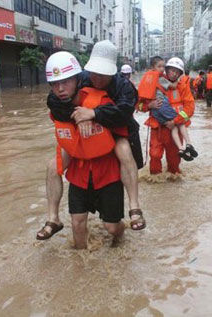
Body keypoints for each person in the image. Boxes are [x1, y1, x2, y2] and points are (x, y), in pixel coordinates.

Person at [37, 40, 146, 240]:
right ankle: (53, 218)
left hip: (117, 128)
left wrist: (94, 113)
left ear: (113, 72)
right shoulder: (79, 79)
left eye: (103, 74)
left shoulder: (125, 87)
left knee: (123, 151)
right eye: (94, 72)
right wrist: (79, 116)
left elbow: (123, 113)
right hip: (83, 137)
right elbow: (54, 101)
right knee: (53, 165)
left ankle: (134, 206)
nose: (97, 78)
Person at [43, 51, 126, 248]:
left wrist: (94, 116)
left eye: (66, 82)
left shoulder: (104, 102)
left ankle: (123, 236)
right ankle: (80, 265)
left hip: (107, 173)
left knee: (112, 227)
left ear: (78, 80)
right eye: (55, 84)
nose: (60, 88)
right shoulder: (56, 110)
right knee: (77, 223)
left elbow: (121, 126)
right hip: (79, 173)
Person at [139, 57, 195, 175]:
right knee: (154, 156)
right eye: (171, 70)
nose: (174, 73)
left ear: (180, 73)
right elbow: (138, 105)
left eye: (177, 71)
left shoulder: (182, 86)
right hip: (158, 128)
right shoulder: (154, 82)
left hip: (175, 127)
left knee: (174, 163)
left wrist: (175, 121)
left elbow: (190, 108)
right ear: (166, 70)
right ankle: (155, 180)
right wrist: (149, 105)